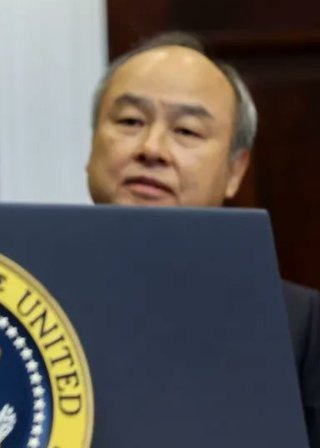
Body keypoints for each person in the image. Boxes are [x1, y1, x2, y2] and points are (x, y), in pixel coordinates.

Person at [85, 31, 319, 444]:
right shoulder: (21, 292)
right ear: (92, 147)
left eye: (187, 131)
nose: (152, 149)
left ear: (235, 170)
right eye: (130, 122)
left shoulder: (300, 324)